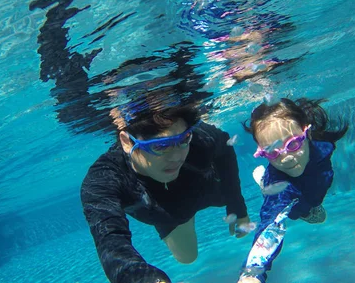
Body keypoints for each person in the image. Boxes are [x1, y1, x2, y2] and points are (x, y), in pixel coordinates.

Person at [81, 100, 252, 283]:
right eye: (161, 146)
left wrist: (236, 205)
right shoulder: (104, 179)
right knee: (187, 257)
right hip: (165, 212)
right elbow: (110, 239)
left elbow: (224, 145)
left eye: (183, 140)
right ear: (127, 142)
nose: (177, 156)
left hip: (205, 187)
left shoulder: (199, 141)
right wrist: (138, 277)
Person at [238, 98, 349, 283]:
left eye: (292, 144)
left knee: (317, 212)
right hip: (289, 196)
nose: (286, 158)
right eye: (273, 153)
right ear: (263, 152)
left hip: (312, 195)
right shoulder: (281, 186)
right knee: (295, 212)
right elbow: (270, 226)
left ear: (306, 130)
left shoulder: (322, 146)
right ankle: (265, 184)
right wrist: (253, 273)